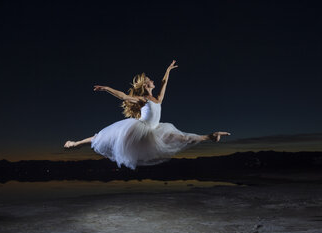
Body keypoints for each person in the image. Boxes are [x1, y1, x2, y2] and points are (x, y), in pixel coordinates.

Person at [64, 60, 231, 169]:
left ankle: (211, 136)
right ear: (146, 85)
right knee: (102, 137)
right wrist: (106, 88)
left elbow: (164, 82)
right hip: (141, 129)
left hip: (156, 130)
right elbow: (123, 96)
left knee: (184, 138)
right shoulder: (143, 99)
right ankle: (76, 143)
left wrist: (168, 70)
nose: (153, 81)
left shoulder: (158, 98)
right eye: (150, 80)